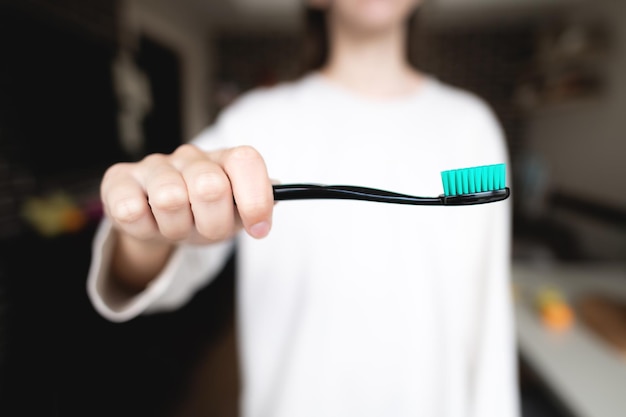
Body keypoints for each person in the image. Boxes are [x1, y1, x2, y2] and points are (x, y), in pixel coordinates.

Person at [87, 0, 520, 416]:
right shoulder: (254, 122)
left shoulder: (472, 126)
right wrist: (144, 230)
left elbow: (489, 315)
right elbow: (150, 276)